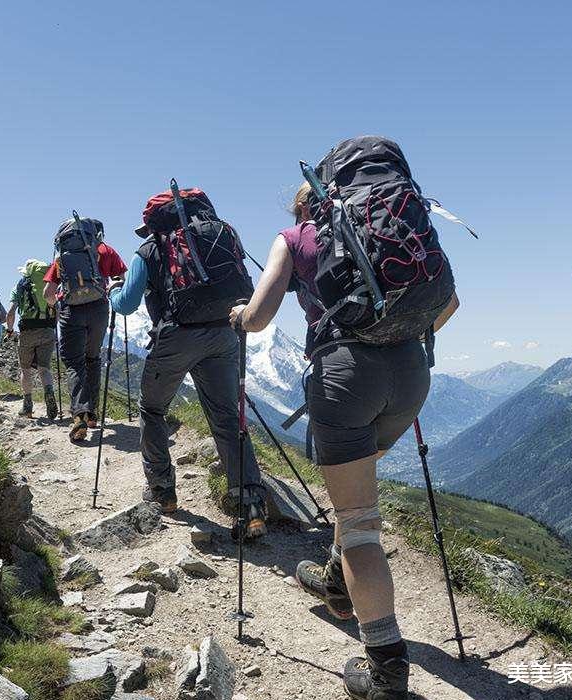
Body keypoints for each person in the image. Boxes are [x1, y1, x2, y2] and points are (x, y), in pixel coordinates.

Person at [229, 181, 459, 699]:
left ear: (302, 207)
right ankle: (336, 580)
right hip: (411, 374)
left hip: (346, 378)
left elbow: (260, 317)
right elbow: (448, 304)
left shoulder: (293, 239)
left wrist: (238, 316)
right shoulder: (394, 230)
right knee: (356, 493)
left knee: (358, 524)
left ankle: (385, 669)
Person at [109, 188, 268, 538]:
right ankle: (251, 504)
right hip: (225, 331)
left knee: (152, 409)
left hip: (177, 336)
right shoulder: (219, 235)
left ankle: (162, 492)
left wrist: (112, 291)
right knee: (227, 417)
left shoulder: (149, 250)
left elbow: (125, 305)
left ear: (154, 222)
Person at [43, 223, 127, 441]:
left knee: (74, 362)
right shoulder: (105, 250)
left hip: (71, 311)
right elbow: (121, 277)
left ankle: (79, 414)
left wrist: (58, 305)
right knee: (93, 358)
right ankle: (92, 414)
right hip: (99, 309)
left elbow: (48, 293)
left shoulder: (64, 256)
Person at [7, 259, 58, 418]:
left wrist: (9, 330)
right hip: (48, 329)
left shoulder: (21, 285)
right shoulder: (50, 283)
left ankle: (27, 406)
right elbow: (57, 308)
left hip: (27, 330)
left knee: (26, 369)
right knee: (44, 368)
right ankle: (49, 393)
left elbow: (11, 312)